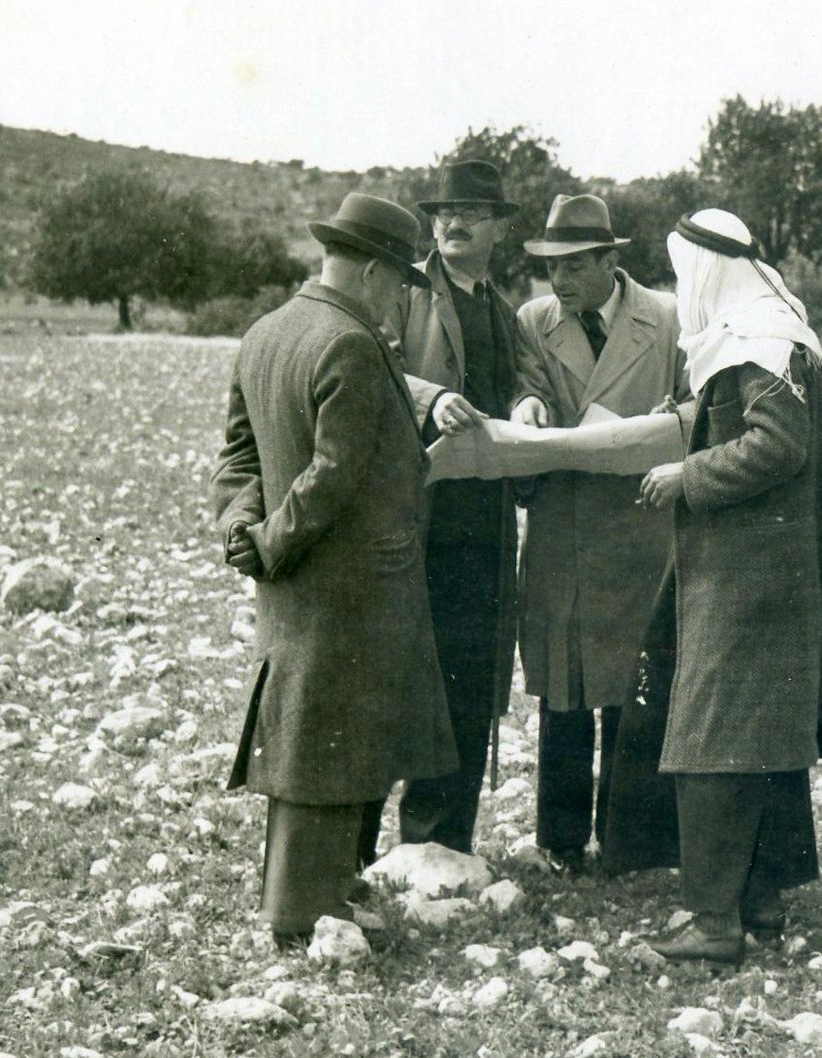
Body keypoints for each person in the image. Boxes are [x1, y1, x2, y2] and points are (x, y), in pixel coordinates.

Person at [210, 193, 457, 947]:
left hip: (292, 583)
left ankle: (311, 894)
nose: (398, 300)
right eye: (398, 284)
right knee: (334, 740)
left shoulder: (266, 332)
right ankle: (307, 909)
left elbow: (238, 456)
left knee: (306, 736)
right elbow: (333, 474)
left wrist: (241, 530)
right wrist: (277, 538)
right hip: (346, 579)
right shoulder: (350, 342)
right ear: (376, 270)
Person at [638, 209, 822, 964]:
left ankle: (714, 922)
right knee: (760, 737)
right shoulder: (770, 330)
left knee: (710, 738)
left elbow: (776, 443)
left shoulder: (757, 339)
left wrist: (688, 474)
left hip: (745, 575)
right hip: (768, 570)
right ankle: (761, 901)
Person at [511, 193, 689, 873]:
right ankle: (559, 844)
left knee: (631, 687)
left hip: (640, 532)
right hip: (561, 529)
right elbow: (526, 386)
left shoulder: (668, 320)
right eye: (551, 266)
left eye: (575, 266)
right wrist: (526, 406)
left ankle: (630, 842)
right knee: (562, 688)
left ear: (611, 260)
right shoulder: (534, 321)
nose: (560, 281)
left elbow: (693, 406)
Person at [367, 160, 528, 859]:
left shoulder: (500, 303)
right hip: (418, 513)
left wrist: (529, 402)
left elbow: (523, 375)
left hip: (484, 521)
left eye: (470, 212)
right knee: (399, 675)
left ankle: (446, 845)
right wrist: (431, 398)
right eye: (443, 212)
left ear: (498, 228)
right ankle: (360, 854)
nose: (453, 223)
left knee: (471, 678)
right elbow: (369, 361)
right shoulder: (407, 290)